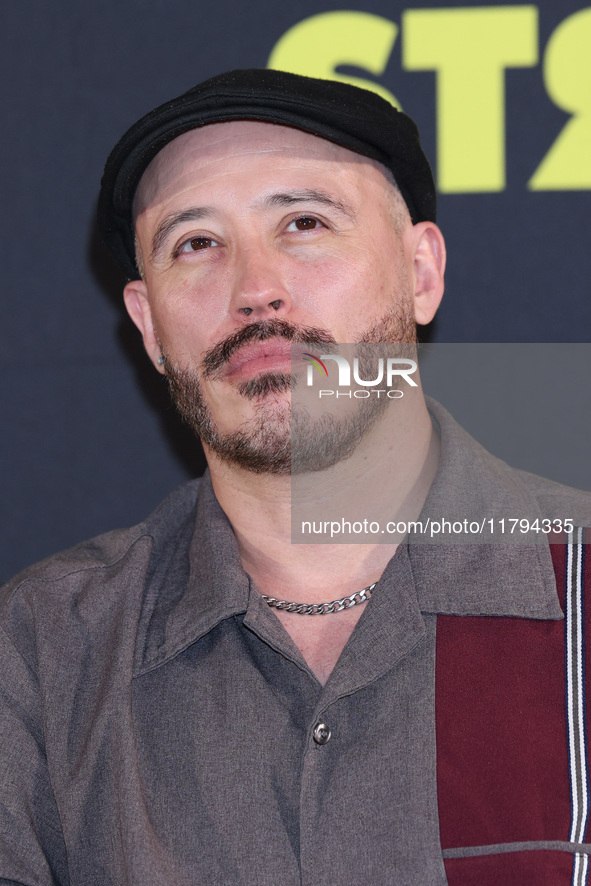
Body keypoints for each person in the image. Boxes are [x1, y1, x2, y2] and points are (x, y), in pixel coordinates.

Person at [0, 68, 590, 886]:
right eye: (195, 243)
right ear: (149, 324)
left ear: (420, 273)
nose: (256, 292)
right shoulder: (42, 651)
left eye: (304, 222)